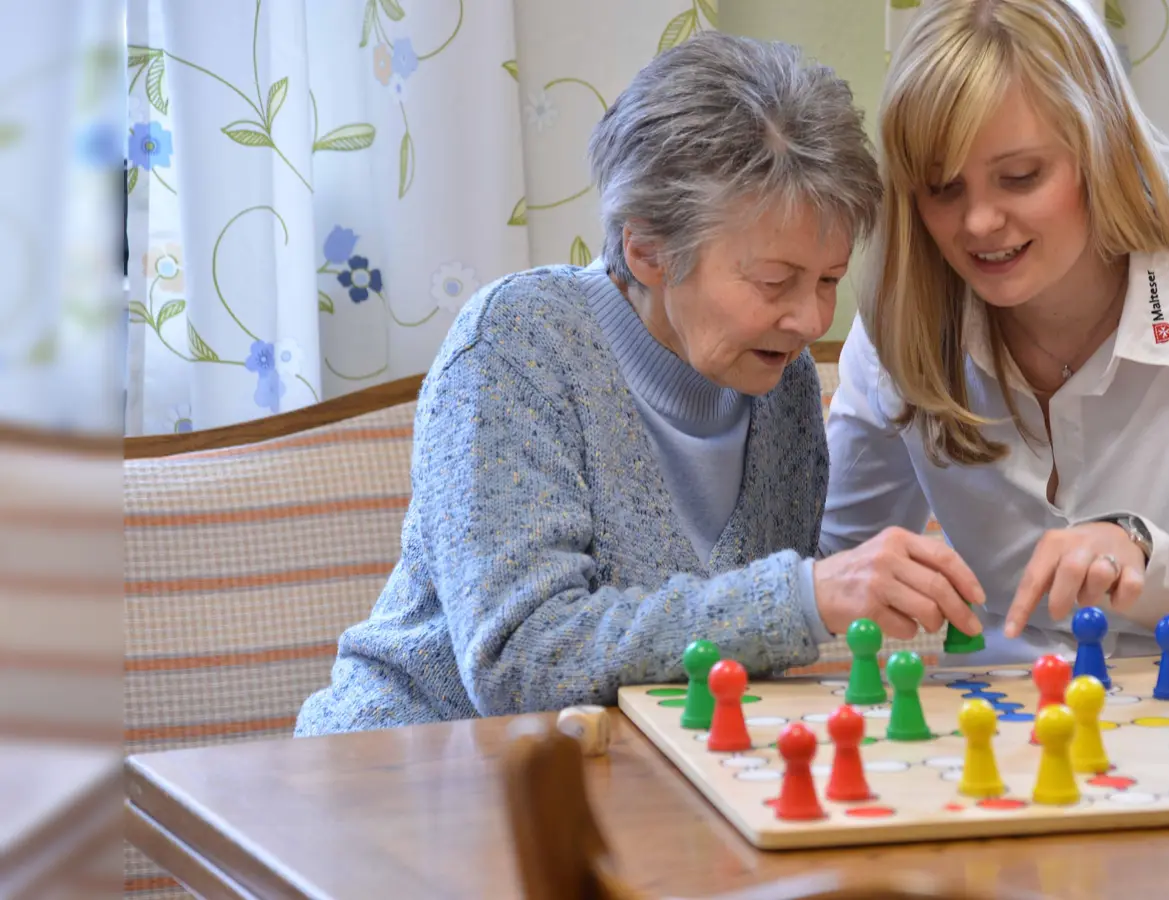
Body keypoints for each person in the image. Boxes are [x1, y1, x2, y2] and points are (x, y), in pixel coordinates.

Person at [296, 33, 986, 736]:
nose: (810, 319)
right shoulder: (517, 345)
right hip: (409, 769)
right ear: (646, 250)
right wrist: (801, 598)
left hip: (629, 782)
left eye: (830, 281)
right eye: (775, 281)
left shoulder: (783, 385)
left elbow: (731, 665)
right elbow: (520, 663)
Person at [821, 0, 1169, 662]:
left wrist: (1139, 551)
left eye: (1021, 177)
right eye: (943, 189)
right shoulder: (904, 322)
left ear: (1100, 146)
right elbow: (830, 564)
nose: (980, 222)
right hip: (1009, 731)